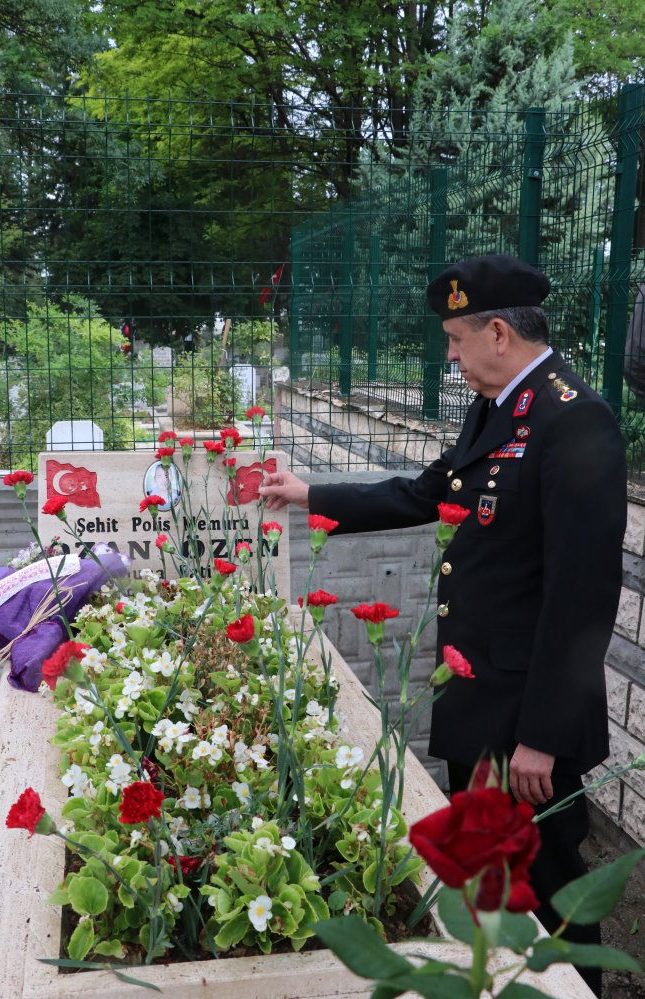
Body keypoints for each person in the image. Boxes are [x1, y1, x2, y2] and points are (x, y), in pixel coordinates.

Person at [261, 254, 627, 997]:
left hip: (526, 714)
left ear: (498, 332)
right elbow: (434, 490)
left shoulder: (573, 418)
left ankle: (579, 991)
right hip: (482, 693)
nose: (451, 359)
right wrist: (309, 492)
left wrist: (544, 734)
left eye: (456, 342)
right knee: (492, 878)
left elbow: (581, 594)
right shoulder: (502, 407)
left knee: (550, 880)